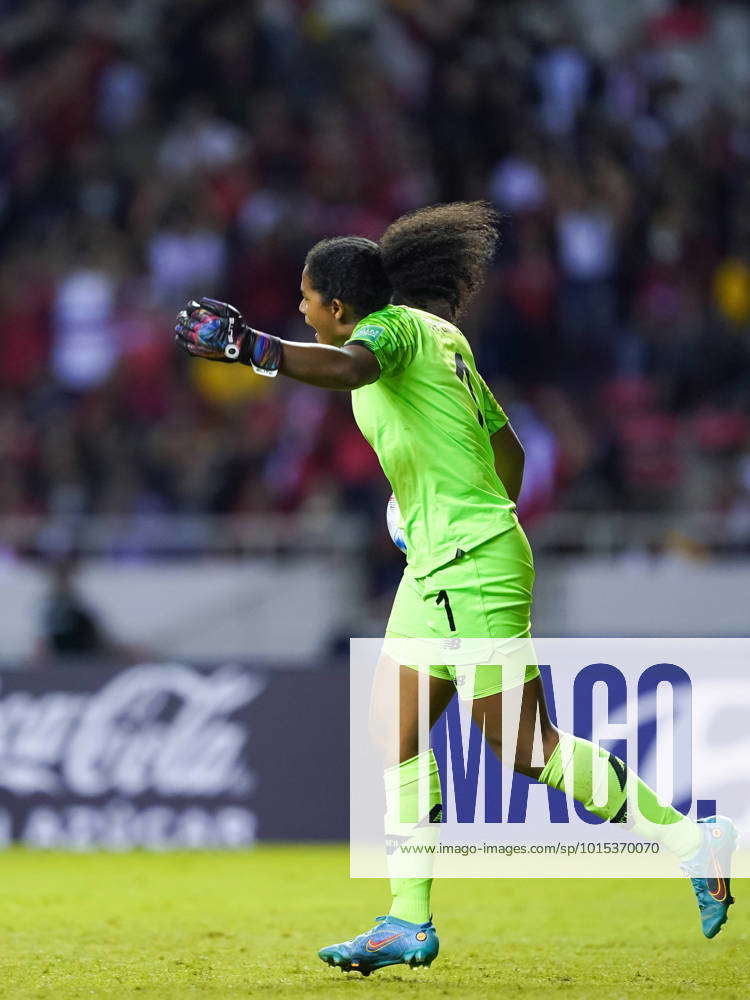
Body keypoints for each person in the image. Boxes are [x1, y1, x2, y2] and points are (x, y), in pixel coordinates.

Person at [175, 202, 736, 975]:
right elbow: (506, 451)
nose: (300, 311)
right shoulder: (444, 339)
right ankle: (407, 919)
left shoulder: (393, 332)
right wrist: (447, 511)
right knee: (394, 727)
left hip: (469, 562)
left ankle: (690, 839)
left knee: (524, 745)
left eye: (306, 300)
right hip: (446, 562)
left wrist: (254, 348)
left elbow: (348, 367)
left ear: (338, 308)